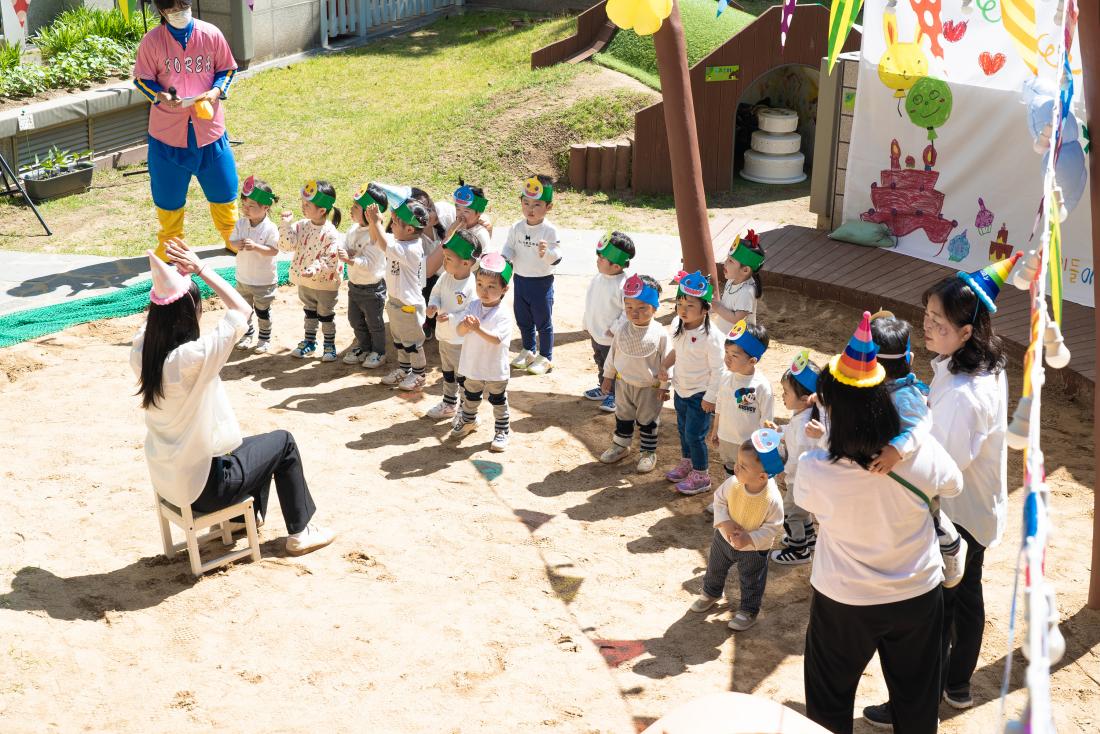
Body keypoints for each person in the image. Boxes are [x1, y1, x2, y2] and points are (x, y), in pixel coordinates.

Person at [863, 260, 1013, 727]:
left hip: (958, 513)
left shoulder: (967, 394)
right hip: (976, 508)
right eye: (926, 315)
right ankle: (958, 682)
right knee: (965, 595)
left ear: (967, 332)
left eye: (938, 324)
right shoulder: (979, 365)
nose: (926, 327)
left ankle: (918, 698)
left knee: (934, 611)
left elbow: (940, 466)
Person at [797, 311, 962, 734]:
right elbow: (954, 484)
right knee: (916, 697)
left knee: (829, 698)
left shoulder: (816, 468)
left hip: (844, 599)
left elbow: (808, 502)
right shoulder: (920, 452)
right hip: (917, 593)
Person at [133, 239, 335, 557]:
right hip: (205, 489)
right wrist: (200, 268)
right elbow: (241, 310)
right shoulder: (192, 358)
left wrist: (168, 284)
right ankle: (301, 530)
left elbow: (159, 314)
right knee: (283, 443)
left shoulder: (143, 352)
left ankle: (244, 520)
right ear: (190, 313)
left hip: (169, 482)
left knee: (250, 445)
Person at [133, 0, 240, 257]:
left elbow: (226, 69)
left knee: (224, 188)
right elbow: (141, 78)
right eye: (172, 10)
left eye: (183, 6)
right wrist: (160, 96)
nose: (179, 13)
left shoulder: (211, 34)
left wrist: (215, 92)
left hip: (209, 130)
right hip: (167, 134)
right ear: (162, 12)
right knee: (167, 194)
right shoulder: (152, 41)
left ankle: (233, 236)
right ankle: (170, 245)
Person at [867, 312, 966, 586]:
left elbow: (921, 426)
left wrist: (896, 451)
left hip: (911, 467)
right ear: (909, 360)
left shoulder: (906, 395)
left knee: (929, 513)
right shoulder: (873, 389)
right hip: (890, 475)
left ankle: (952, 546)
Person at [689, 429, 784, 631]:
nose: (736, 468)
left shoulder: (772, 499)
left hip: (753, 550)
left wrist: (749, 538)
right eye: (737, 463)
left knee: (752, 581)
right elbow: (719, 501)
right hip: (723, 539)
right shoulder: (732, 483)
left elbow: (772, 527)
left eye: (742, 466)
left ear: (762, 476)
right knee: (715, 568)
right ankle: (712, 592)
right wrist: (725, 523)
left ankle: (748, 610)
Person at [661, 271, 726, 496]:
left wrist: (711, 398)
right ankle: (687, 462)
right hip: (681, 388)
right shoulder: (676, 324)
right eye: (680, 303)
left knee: (695, 435)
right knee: (682, 430)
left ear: (705, 309)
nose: (683, 309)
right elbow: (677, 352)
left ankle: (701, 475)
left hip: (701, 393)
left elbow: (719, 369)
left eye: (690, 305)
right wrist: (664, 367)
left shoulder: (712, 336)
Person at [597, 275, 670, 473]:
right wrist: (608, 376)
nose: (634, 313)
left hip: (649, 388)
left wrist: (665, 387)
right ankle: (621, 446)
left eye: (641, 308)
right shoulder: (622, 329)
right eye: (629, 307)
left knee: (648, 420)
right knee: (623, 416)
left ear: (654, 308)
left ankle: (647, 452)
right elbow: (613, 355)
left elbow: (667, 363)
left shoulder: (661, 334)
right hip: (623, 384)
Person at [449, 253, 515, 452]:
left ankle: (502, 431)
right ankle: (469, 421)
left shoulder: (503, 313)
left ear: (505, 289)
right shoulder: (473, 305)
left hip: (495, 368)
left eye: (491, 286)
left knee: (498, 400)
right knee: (470, 396)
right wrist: (464, 326)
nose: (483, 291)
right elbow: (459, 331)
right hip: (473, 365)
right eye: (479, 284)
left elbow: (496, 340)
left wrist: (477, 328)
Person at [367, 197, 430, 391]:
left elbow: (385, 245)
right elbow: (378, 241)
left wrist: (377, 222)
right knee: (400, 341)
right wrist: (372, 222)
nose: (391, 226)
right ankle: (404, 370)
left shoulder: (411, 248)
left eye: (395, 223)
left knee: (412, 343)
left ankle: (419, 375)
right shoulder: (400, 241)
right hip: (395, 300)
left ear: (410, 229)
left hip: (408, 304)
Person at [279, 180, 344, 362]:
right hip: (305, 281)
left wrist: (314, 269)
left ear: (322, 210)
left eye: (307, 204)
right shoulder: (301, 225)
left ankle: (329, 345)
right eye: (303, 202)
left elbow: (329, 258)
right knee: (309, 311)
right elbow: (287, 245)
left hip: (325, 283)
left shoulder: (330, 232)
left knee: (325, 314)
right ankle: (310, 341)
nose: (303, 206)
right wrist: (285, 226)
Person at [504, 175, 561, 375]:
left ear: (548, 207)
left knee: (543, 322)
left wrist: (548, 253)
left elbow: (557, 257)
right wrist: (503, 261)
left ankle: (546, 357)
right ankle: (528, 350)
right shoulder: (516, 228)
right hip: (520, 280)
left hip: (541, 283)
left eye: (537, 204)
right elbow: (509, 250)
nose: (531, 208)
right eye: (526, 203)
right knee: (523, 319)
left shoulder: (549, 231)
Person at [768, 350, 821, 566]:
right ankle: (809, 539)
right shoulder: (803, 415)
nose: (782, 395)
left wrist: (784, 472)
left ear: (804, 399)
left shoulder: (804, 424)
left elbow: (800, 457)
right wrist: (780, 430)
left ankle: (798, 549)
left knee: (791, 512)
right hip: (805, 478)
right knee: (802, 509)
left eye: (786, 392)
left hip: (799, 477)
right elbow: (792, 432)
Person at [423, 230, 481, 420]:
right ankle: (449, 403)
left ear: (466, 263)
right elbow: (436, 294)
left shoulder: (472, 286)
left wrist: (452, 317)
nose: (444, 261)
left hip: (460, 340)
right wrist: (434, 306)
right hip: (444, 337)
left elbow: (471, 312)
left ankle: (466, 409)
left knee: (462, 376)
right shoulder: (445, 277)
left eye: (448, 258)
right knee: (447, 372)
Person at [709, 320, 773, 478]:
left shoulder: (761, 386)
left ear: (752, 360)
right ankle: (730, 500)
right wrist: (715, 429)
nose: (727, 359)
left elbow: (766, 421)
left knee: (747, 476)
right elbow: (720, 405)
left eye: (734, 355)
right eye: (726, 353)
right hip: (726, 439)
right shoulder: (725, 377)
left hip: (748, 445)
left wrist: (761, 447)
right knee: (730, 473)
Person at [582, 232, 634, 413]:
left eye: (602, 258)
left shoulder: (624, 285)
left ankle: (615, 393)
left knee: (614, 366)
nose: (598, 260)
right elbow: (591, 302)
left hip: (612, 337)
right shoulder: (598, 278)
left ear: (616, 265)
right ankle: (603, 388)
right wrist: (587, 322)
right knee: (600, 361)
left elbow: (628, 311)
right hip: (596, 332)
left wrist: (615, 329)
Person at [339, 184, 389, 370]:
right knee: (354, 319)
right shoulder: (353, 229)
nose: (351, 209)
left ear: (369, 214)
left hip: (372, 288)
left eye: (356, 207)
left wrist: (351, 260)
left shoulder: (375, 236)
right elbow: (344, 243)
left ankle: (379, 352)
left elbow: (370, 264)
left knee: (374, 322)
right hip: (355, 285)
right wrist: (343, 251)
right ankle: (364, 346)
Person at [229, 176, 280, 352]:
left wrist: (256, 247)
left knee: (262, 311)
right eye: (244, 204)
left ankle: (264, 339)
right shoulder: (241, 223)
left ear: (265, 207)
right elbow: (232, 242)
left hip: (263, 281)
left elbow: (273, 250)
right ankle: (247, 335)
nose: (246, 209)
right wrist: (237, 244)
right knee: (244, 310)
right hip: (243, 278)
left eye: (251, 206)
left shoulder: (270, 228)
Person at [711, 229, 765, 335]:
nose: (725, 263)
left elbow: (737, 319)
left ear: (745, 270)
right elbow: (727, 306)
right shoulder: (731, 280)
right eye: (727, 258)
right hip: (724, 335)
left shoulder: (747, 292)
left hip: (737, 343)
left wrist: (716, 306)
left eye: (730, 261)